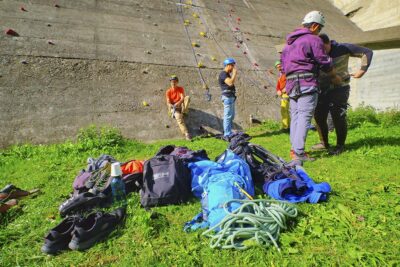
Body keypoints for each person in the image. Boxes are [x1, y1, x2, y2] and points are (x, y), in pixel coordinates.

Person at [281, 10, 342, 162]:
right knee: (304, 117)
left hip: (291, 83)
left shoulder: (288, 45)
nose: (319, 32)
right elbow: (323, 61)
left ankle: (294, 150)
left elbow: (283, 67)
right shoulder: (313, 39)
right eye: (319, 28)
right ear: (314, 26)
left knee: (295, 116)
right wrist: (334, 76)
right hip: (306, 82)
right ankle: (299, 153)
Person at [312, 33, 373, 155]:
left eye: (323, 48)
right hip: (321, 89)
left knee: (338, 116)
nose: (321, 52)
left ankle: (340, 145)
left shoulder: (342, 48)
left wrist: (362, 70)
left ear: (328, 43)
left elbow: (367, 52)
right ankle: (324, 143)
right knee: (319, 116)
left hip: (340, 88)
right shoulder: (314, 50)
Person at [165, 75, 191, 140]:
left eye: (175, 82)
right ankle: (186, 134)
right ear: (170, 83)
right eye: (172, 82)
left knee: (187, 98)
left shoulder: (180, 88)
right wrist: (171, 105)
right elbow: (168, 102)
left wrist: (178, 103)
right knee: (179, 118)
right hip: (174, 108)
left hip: (180, 105)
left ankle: (184, 111)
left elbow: (182, 98)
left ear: (177, 82)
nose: (173, 83)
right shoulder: (168, 91)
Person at [219, 58, 237, 138]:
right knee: (228, 116)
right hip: (227, 97)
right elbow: (230, 83)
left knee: (231, 116)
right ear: (228, 65)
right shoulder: (223, 74)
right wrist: (234, 74)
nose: (233, 68)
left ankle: (228, 131)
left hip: (231, 97)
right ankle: (227, 134)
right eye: (232, 66)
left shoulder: (227, 74)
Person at [275, 60, 290, 132]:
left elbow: (291, 81)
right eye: (277, 67)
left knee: (284, 110)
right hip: (282, 94)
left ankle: (286, 127)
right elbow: (278, 85)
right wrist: (278, 90)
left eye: (279, 66)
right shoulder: (280, 75)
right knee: (285, 110)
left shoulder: (287, 73)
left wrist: (286, 88)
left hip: (287, 94)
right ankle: (288, 126)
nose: (279, 68)